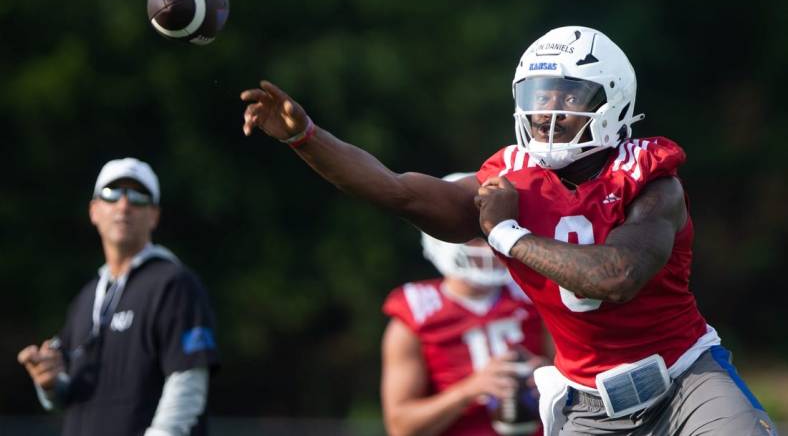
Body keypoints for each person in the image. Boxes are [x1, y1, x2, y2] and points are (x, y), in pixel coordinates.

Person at [240, 25, 778, 435]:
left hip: (685, 378)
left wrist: (506, 235)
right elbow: (396, 190)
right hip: (587, 405)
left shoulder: (652, 181)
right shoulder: (510, 180)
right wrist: (306, 138)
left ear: (612, 99)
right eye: (541, 95)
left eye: (570, 95)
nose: (550, 110)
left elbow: (618, 276)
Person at [17, 158, 220, 436]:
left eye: (138, 197)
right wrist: (50, 385)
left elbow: (189, 380)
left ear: (154, 215)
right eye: (112, 195)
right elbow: (70, 396)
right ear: (94, 210)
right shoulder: (87, 297)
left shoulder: (174, 284)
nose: (124, 206)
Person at [381, 173, 550, 436]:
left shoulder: (534, 293)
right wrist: (471, 389)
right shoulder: (416, 312)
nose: (487, 246)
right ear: (440, 235)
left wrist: (551, 377)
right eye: (474, 235)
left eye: (488, 232)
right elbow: (400, 426)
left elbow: (580, 374)